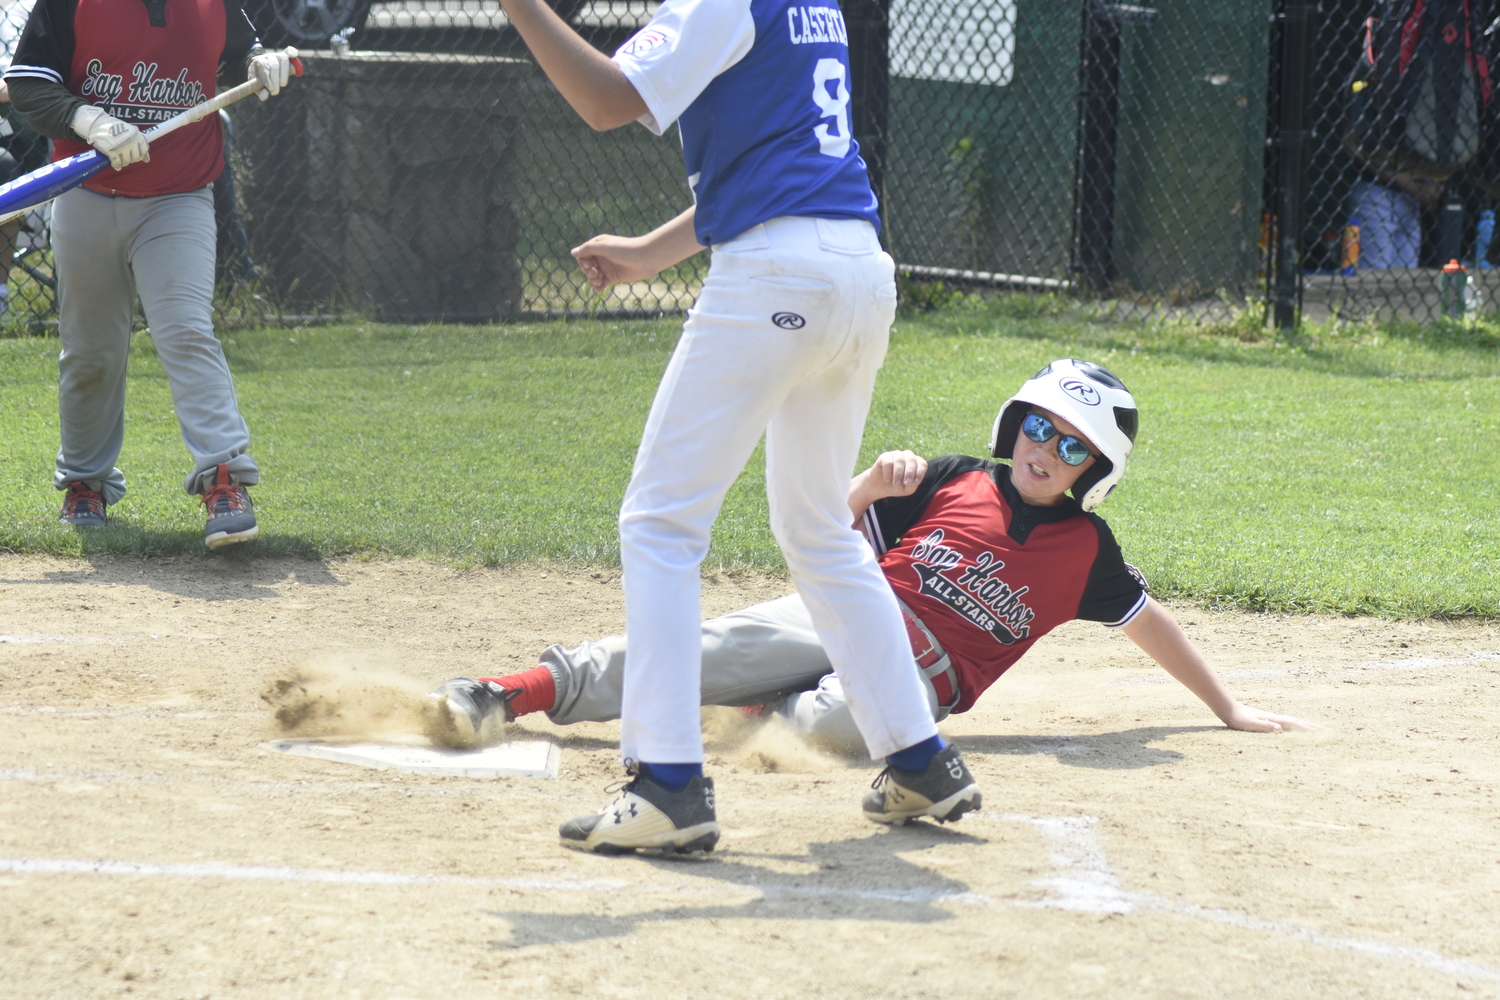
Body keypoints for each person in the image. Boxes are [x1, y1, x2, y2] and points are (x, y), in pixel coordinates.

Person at [490, 0, 980, 856]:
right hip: (858, 274)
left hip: (777, 280)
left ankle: (667, 784)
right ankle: (920, 758)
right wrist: (651, 251)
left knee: (661, 522)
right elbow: (775, 167)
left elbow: (607, 102)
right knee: (821, 531)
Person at [429, 360, 1317, 775]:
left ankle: (752, 703)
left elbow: (1148, 622)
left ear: (1097, 471)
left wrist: (1226, 707)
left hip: (916, 673)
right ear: (1015, 429)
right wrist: (867, 485)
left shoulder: (1087, 554)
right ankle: (508, 691)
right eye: (1039, 428)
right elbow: (824, 528)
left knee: (827, 731)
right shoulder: (955, 477)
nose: (1048, 449)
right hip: (843, 612)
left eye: (1073, 445)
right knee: (690, 649)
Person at [3, 0, 295, 547]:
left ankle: (224, 479)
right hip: (84, 190)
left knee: (185, 330)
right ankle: (85, 483)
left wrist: (262, 63)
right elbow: (27, 84)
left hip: (179, 195)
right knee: (91, 350)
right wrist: (88, 119)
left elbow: (237, 58)